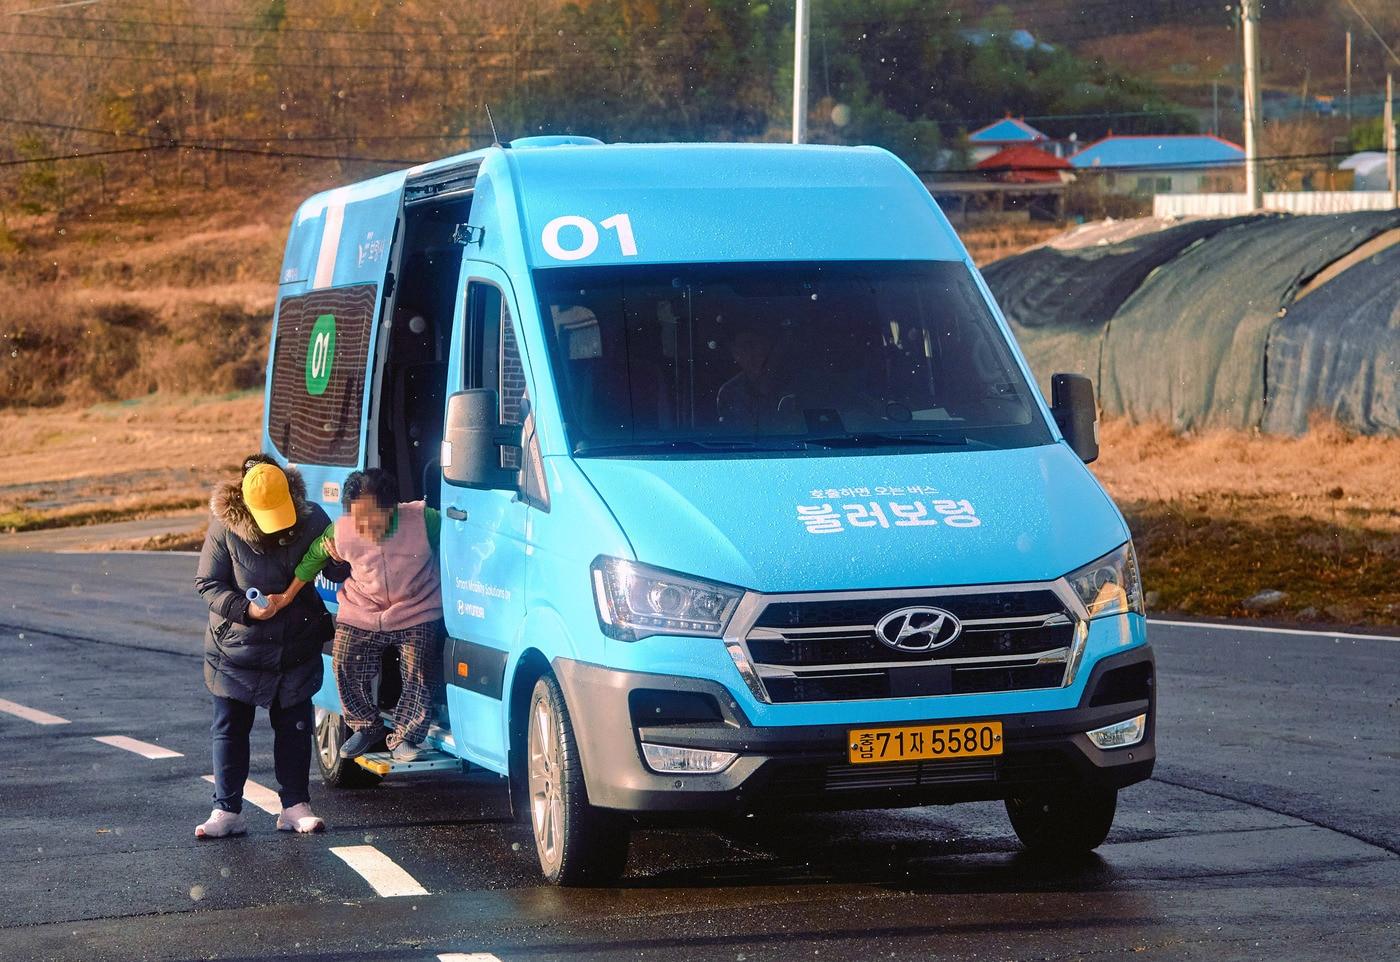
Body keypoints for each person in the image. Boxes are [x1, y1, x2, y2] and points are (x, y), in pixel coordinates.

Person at [193, 455, 344, 839]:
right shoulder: (224, 527)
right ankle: (226, 809)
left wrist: (342, 560)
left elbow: (334, 570)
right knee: (229, 727)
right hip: (236, 649)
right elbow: (208, 584)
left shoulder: (312, 519)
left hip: (295, 641)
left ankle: (295, 806)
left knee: (294, 726)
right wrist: (245, 609)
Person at [271, 468, 444, 764]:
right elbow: (313, 560)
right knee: (345, 659)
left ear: (393, 507)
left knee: (419, 667)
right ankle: (365, 725)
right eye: (357, 517)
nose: (364, 525)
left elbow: (462, 540)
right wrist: (286, 596)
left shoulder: (424, 520)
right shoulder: (343, 530)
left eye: (373, 516)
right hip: (363, 607)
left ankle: (405, 736)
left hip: (416, 606)